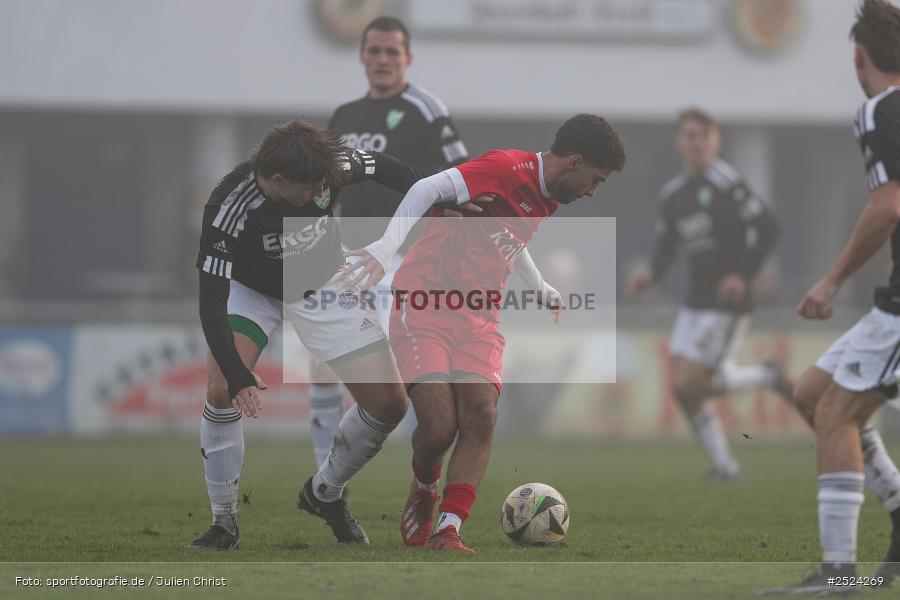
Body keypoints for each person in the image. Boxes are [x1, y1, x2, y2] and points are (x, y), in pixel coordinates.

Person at [345, 113, 626, 552]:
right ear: (574, 162)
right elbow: (426, 188)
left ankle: (448, 528)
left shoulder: (550, 195)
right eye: (596, 179)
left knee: (481, 415)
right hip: (425, 303)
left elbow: (513, 237)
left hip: (480, 316)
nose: (593, 190)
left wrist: (539, 288)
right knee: (438, 429)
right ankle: (423, 489)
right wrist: (385, 247)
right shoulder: (505, 167)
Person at [190, 118, 422, 549]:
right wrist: (239, 375)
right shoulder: (228, 205)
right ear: (276, 180)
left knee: (390, 403)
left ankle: (324, 492)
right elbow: (210, 303)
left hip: (323, 285)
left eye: (325, 185)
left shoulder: (332, 166)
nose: (322, 193)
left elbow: (397, 172)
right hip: (253, 292)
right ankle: (224, 523)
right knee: (221, 388)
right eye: (312, 188)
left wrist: (436, 206)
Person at [763, 0, 900, 593]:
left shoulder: (878, 109)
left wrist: (831, 279)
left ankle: (837, 575)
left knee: (839, 414)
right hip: (892, 301)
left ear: (858, 57)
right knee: (814, 393)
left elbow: (888, 205)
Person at [307, 15, 468, 471]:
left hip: (402, 258)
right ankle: (325, 480)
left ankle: (429, 462)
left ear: (407, 58)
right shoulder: (344, 116)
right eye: (374, 51)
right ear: (362, 56)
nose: (381, 60)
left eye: (391, 52)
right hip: (344, 257)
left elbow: (462, 174)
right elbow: (327, 187)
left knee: (401, 375)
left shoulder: (425, 107)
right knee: (323, 366)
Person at [625, 108, 790, 481]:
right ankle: (724, 467)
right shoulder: (672, 195)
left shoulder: (727, 182)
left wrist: (742, 275)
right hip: (694, 302)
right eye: (690, 135)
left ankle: (767, 375)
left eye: (704, 135)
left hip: (727, 303)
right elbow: (667, 246)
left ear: (716, 141)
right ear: (678, 142)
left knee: (689, 382)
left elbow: (769, 227)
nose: (697, 142)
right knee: (684, 391)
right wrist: (650, 275)